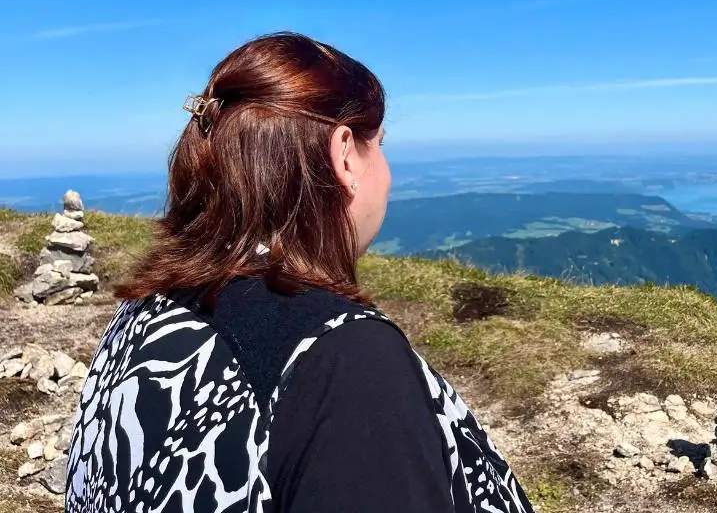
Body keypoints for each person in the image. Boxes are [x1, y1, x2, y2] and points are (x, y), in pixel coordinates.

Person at [66, 32, 534, 513]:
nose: (388, 171)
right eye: (382, 146)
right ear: (346, 154)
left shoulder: (141, 315)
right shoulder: (344, 359)